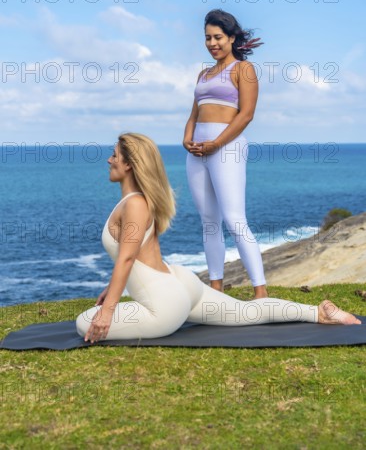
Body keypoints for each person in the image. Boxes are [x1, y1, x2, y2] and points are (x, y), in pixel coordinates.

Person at [76, 133, 361, 344]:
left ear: (129, 164)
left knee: (84, 322)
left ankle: (318, 313)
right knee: (245, 313)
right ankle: (320, 313)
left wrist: (108, 309)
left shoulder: (135, 204)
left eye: (115, 155)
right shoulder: (135, 201)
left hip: (165, 303)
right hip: (180, 284)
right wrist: (112, 288)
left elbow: (127, 257)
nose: (109, 160)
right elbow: (133, 257)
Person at [184, 9, 267, 298]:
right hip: (197, 152)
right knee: (209, 221)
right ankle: (216, 288)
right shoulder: (203, 74)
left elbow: (245, 115)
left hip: (227, 149)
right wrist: (187, 139)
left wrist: (216, 143)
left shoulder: (244, 70)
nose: (212, 43)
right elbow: (194, 113)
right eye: (207, 38)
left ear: (232, 38)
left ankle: (260, 292)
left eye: (218, 37)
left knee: (235, 220)